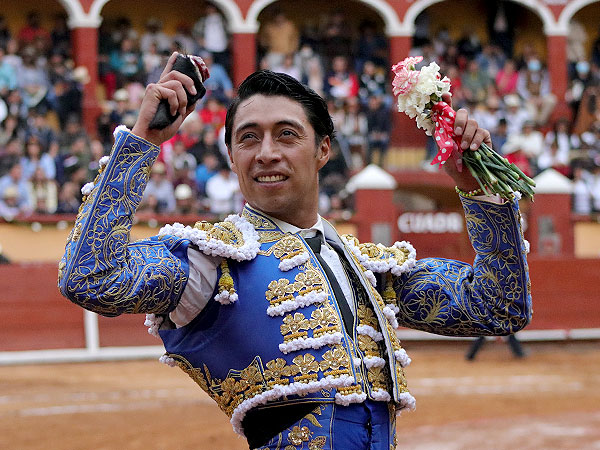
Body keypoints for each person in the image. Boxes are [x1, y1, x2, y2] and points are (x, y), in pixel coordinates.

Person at [59, 53, 532, 450]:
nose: (266, 152)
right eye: (248, 138)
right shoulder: (212, 261)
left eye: (286, 134)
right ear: (232, 157)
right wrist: (142, 141)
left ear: (323, 150)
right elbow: (91, 276)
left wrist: (478, 189)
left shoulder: (366, 269)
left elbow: (497, 307)